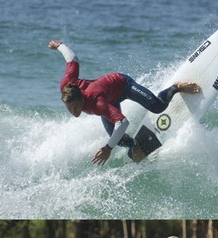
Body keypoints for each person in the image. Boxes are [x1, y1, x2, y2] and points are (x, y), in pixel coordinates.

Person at [48, 40, 202, 164]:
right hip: (109, 97)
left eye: (75, 107)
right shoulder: (67, 86)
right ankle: (134, 145)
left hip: (123, 85)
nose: (73, 112)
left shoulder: (97, 103)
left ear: (81, 99)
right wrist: (60, 46)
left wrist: (108, 148)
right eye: (69, 108)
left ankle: (176, 87)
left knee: (157, 107)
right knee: (117, 138)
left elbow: (123, 122)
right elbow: (72, 59)